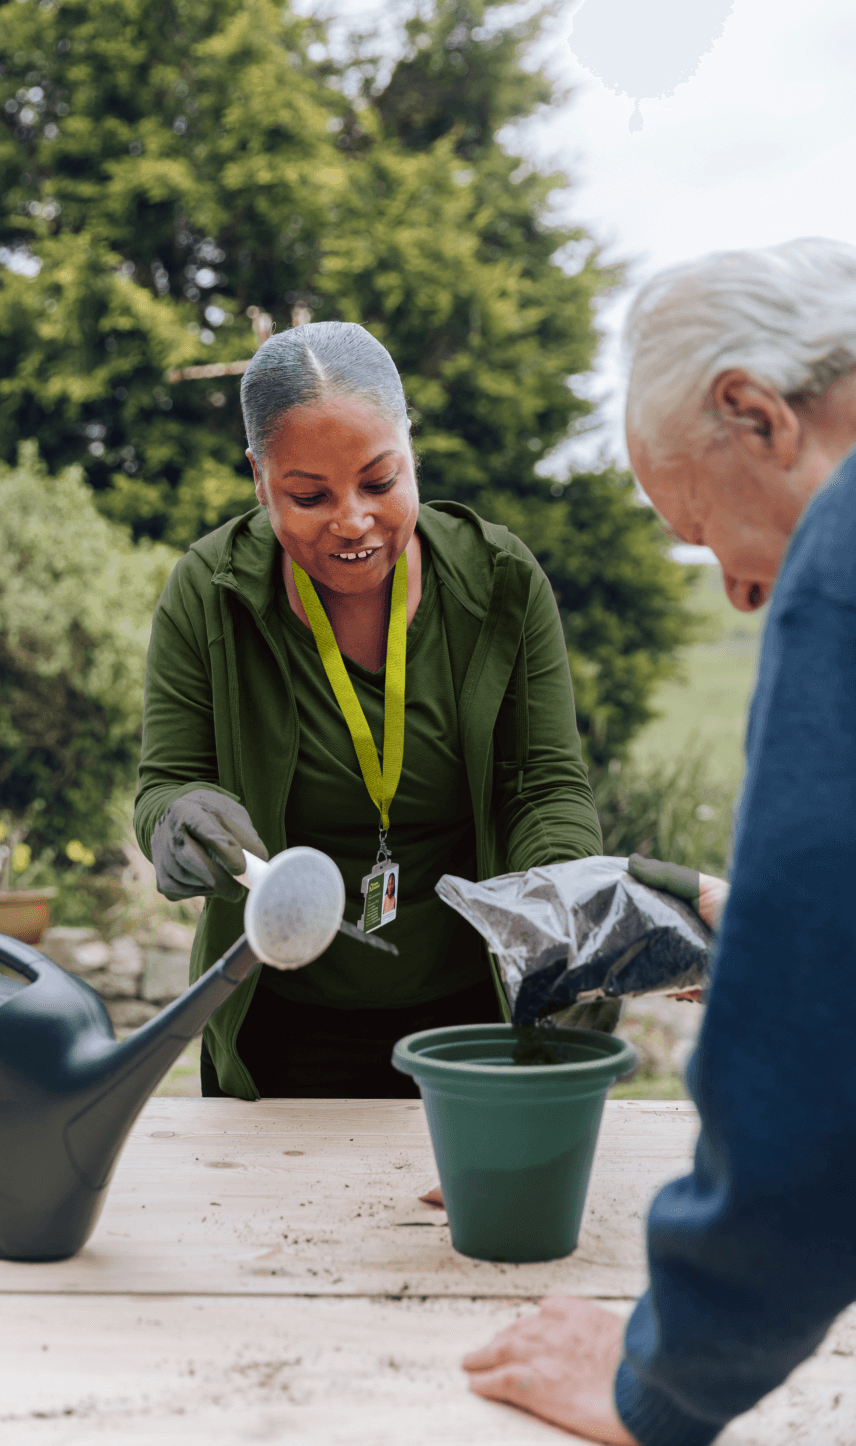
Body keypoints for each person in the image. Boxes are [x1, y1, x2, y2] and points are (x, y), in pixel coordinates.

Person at [462, 235, 856, 1444]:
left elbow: (813, 1067)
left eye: (703, 538)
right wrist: (769, 918)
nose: (740, 594)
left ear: (756, 415)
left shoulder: (837, 559)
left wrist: (660, 1372)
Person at [135, 321, 604, 1099]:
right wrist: (182, 819)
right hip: (279, 1023)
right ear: (259, 478)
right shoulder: (206, 593)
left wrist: (561, 905)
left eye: (380, 483)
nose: (351, 521)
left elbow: (544, 786)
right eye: (308, 495)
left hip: (475, 1020)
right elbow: (165, 786)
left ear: (409, 449)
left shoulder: (500, 583)